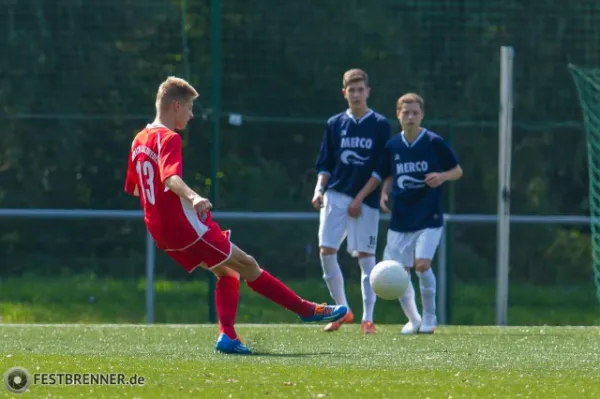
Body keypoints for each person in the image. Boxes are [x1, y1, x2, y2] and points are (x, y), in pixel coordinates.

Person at [124, 76, 348, 354]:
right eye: (190, 108)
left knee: (228, 271)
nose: (192, 115)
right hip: (185, 227)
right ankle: (306, 309)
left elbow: (136, 189)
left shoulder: (139, 139)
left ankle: (228, 337)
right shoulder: (169, 138)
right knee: (248, 265)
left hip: (159, 230)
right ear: (176, 105)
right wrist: (193, 197)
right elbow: (170, 179)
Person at [312, 69, 391, 334]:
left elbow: (381, 168)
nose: (356, 94)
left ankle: (368, 318)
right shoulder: (335, 123)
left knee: (365, 257)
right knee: (326, 250)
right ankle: (342, 310)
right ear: (344, 93)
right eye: (351, 90)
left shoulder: (379, 124)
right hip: (335, 195)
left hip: (365, 201)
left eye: (361, 89)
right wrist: (319, 190)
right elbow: (325, 163)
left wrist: (359, 198)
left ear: (368, 91)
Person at [377, 93, 463, 334]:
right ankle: (413, 319)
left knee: (422, 265)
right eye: (406, 113)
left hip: (429, 217)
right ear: (398, 115)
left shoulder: (434, 142)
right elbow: (389, 174)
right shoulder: (393, 145)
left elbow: (457, 170)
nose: (411, 117)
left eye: (415, 113)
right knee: (399, 272)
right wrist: (385, 193)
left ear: (422, 115)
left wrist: (442, 176)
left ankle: (429, 317)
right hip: (401, 219)